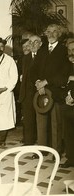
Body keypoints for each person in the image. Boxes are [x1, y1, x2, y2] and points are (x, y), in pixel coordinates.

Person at [32, 24, 71, 158]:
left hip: (55, 91)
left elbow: (64, 73)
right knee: (41, 122)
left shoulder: (63, 50)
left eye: (55, 32)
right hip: (40, 92)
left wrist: (46, 81)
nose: (51, 34)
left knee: (56, 123)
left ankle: (56, 151)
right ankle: (42, 150)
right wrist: (37, 82)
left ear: (59, 34)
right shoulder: (42, 49)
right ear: (46, 33)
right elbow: (34, 69)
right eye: (49, 31)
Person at [0, 37, 18, 146]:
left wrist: (5, 88)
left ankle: (1, 140)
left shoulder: (10, 60)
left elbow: (14, 77)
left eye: (1, 47)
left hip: (6, 92)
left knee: (3, 117)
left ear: (4, 48)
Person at [19, 35, 42, 145]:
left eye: (36, 42)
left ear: (40, 44)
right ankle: (28, 143)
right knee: (28, 120)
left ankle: (43, 145)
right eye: (30, 42)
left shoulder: (44, 56)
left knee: (41, 121)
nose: (32, 45)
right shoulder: (26, 58)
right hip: (27, 94)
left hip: (40, 93)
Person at [59, 40, 74, 168]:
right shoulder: (66, 65)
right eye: (69, 50)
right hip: (67, 105)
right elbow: (59, 79)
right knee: (69, 133)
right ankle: (70, 159)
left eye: (73, 50)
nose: (71, 53)